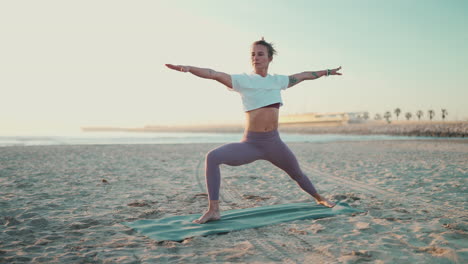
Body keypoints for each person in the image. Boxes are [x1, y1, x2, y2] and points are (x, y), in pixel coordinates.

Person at [165, 38, 342, 224]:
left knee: (297, 174)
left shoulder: (278, 81)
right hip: (251, 144)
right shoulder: (243, 80)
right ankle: (213, 209)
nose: (255, 58)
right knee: (213, 157)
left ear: (269, 58)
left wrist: (327, 72)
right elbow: (213, 73)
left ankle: (319, 198)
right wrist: (188, 68)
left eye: (260, 54)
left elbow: (305, 75)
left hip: (274, 143)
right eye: (253, 55)